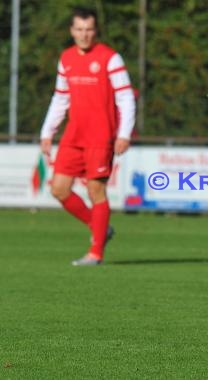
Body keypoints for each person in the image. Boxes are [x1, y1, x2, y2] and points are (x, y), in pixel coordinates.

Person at [39, 7, 136, 266]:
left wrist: (124, 133)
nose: (84, 34)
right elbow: (60, 98)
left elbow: (125, 98)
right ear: (72, 31)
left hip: (100, 135)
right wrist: (47, 132)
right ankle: (100, 227)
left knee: (96, 191)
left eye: (89, 29)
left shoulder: (110, 58)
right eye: (79, 29)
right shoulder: (66, 58)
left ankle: (96, 253)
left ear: (96, 31)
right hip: (73, 136)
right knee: (59, 189)